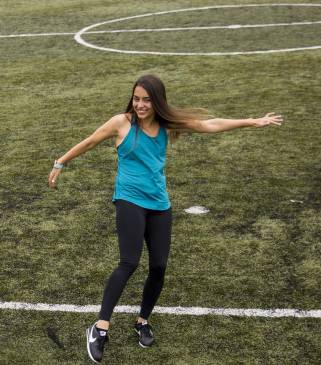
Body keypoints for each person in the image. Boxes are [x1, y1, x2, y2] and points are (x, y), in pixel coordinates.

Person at [47, 74, 283, 363]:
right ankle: (99, 327)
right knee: (129, 261)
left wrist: (251, 121)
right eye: (136, 99)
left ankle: (142, 320)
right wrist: (61, 162)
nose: (140, 104)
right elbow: (90, 141)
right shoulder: (122, 123)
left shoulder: (166, 124)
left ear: (157, 101)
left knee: (158, 266)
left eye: (146, 100)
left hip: (159, 203)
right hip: (129, 199)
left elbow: (209, 125)